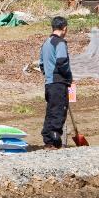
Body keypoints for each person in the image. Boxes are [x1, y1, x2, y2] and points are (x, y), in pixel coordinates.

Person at [39, 16, 72, 149]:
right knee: (58, 111)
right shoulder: (60, 43)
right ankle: (54, 139)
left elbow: (41, 64)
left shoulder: (46, 43)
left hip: (49, 82)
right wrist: (68, 76)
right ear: (64, 28)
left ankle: (48, 139)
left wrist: (48, 75)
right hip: (58, 82)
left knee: (51, 111)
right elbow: (62, 61)